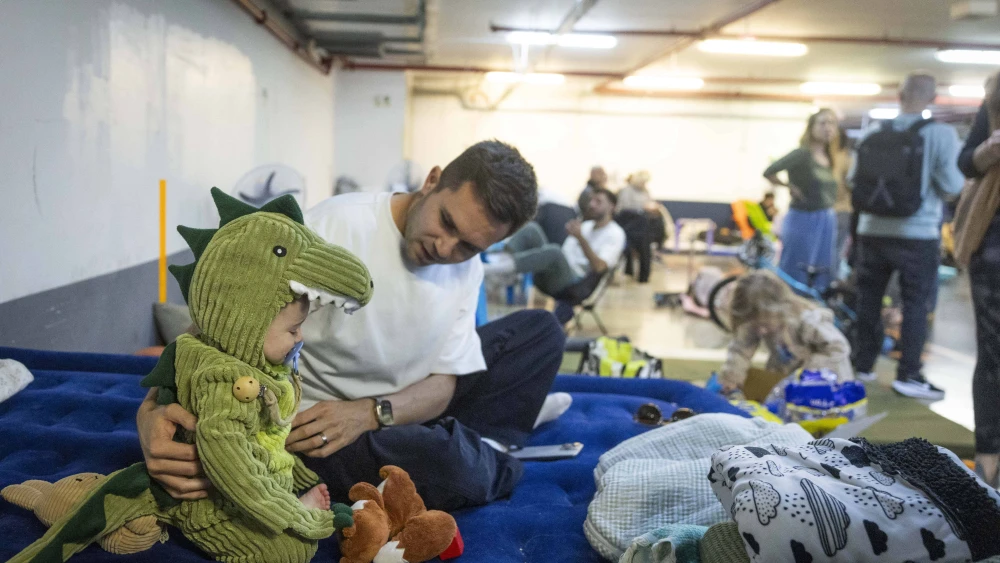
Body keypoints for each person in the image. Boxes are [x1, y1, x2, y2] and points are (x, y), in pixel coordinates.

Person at [136, 140, 569, 512]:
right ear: (432, 180)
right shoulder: (331, 227)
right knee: (450, 464)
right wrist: (150, 413)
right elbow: (215, 329)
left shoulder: (464, 265)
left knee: (542, 332)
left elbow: (445, 382)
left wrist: (372, 412)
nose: (445, 248)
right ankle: (492, 452)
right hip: (314, 425)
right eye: (447, 223)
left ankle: (483, 442)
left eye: (469, 246)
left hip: (388, 409)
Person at [849, 72, 965, 400]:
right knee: (916, 303)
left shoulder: (873, 130)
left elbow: (852, 179)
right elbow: (954, 186)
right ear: (934, 98)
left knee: (868, 300)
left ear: (899, 94)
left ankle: (863, 366)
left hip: (871, 230)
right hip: (917, 233)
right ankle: (909, 375)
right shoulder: (940, 134)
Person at [485, 188, 626, 323]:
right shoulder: (586, 226)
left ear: (612, 206)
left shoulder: (615, 234)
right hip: (558, 270)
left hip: (577, 283)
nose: (592, 205)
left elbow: (600, 267)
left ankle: (495, 270)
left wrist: (580, 239)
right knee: (531, 229)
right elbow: (566, 251)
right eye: (592, 200)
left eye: (598, 201)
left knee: (554, 252)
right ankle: (498, 264)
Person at [959, 72, 1000, 487]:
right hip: (993, 242)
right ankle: (987, 460)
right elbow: (965, 162)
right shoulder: (994, 102)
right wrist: (989, 149)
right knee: (993, 354)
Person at [719, 271, 854, 392]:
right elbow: (740, 349)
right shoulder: (760, 318)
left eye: (764, 325)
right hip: (786, 380)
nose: (760, 331)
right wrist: (731, 378)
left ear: (779, 309)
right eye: (755, 326)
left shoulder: (807, 320)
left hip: (827, 384)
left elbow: (838, 347)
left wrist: (809, 372)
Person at [763, 108, 842, 290]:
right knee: (795, 266)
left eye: (831, 123)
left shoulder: (830, 157)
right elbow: (769, 171)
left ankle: (813, 304)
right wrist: (788, 186)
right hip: (803, 218)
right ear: (811, 128)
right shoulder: (801, 154)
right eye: (822, 123)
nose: (827, 128)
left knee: (821, 268)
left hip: (826, 218)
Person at [616, 171, 663, 283]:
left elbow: (649, 203)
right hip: (629, 226)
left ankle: (644, 277)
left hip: (643, 226)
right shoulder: (626, 191)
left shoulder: (646, 191)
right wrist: (642, 208)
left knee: (645, 249)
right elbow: (623, 209)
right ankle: (629, 273)